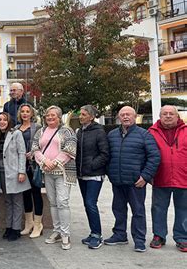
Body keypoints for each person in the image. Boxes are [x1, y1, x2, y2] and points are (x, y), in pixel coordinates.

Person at [105, 106, 160, 252]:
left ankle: (139, 240)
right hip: (117, 181)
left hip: (137, 182)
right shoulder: (111, 135)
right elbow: (107, 156)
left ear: (135, 116)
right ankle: (119, 235)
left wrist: (145, 176)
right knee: (118, 209)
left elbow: (154, 157)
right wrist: (110, 173)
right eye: (122, 115)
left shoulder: (144, 135)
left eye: (128, 114)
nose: (125, 117)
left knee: (138, 211)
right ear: (119, 117)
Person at [32, 105, 77, 250]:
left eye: (53, 115)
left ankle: (65, 234)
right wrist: (45, 162)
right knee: (52, 202)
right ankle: (57, 231)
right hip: (47, 172)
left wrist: (55, 163)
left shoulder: (67, 131)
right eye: (48, 115)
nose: (50, 117)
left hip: (63, 172)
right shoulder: (41, 131)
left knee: (62, 202)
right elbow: (35, 149)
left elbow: (70, 150)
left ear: (59, 117)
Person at [148, 105, 187, 252]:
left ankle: (183, 238)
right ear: (160, 116)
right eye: (165, 114)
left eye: (171, 113)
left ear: (177, 116)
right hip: (160, 177)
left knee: (184, 210)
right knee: (158, 209)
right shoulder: (151, 132)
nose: (168, 116)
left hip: (184, 178)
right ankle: (159, 236)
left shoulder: (186, 131)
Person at [75, 105, 109, 249]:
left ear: (91, 116)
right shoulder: (79, 132)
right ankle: (93, 232)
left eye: (83, 114)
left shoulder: (99, 132)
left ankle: (97, 235)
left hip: (94, 174)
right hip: (82, 175)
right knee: (87, 204)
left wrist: (92, 165)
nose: (80, 116)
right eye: (80, 114)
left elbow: (105, 153)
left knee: (90, 203)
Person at [0, 112, 31, 241]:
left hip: (15, 173)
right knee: (8, 201)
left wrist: (22, 171)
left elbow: (22, 153)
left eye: (4, 120)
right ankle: (9, 227)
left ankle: (16, 229)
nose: (2, 122)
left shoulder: (16, 134)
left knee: (17, 201)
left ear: (9, 121)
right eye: (0, 120)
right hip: (2, 173)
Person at [15, 103, 43, 238]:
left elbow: (42, 144)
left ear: (32, 114)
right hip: (21, 166)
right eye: (23, 111)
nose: (25, 114)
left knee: (36, 193)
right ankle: (29, 223)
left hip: (33, 165)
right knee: (25, 194)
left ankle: (38, 224)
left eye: (27, 111)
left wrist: (33, 152)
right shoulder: (16, 128)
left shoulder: (37, 127)